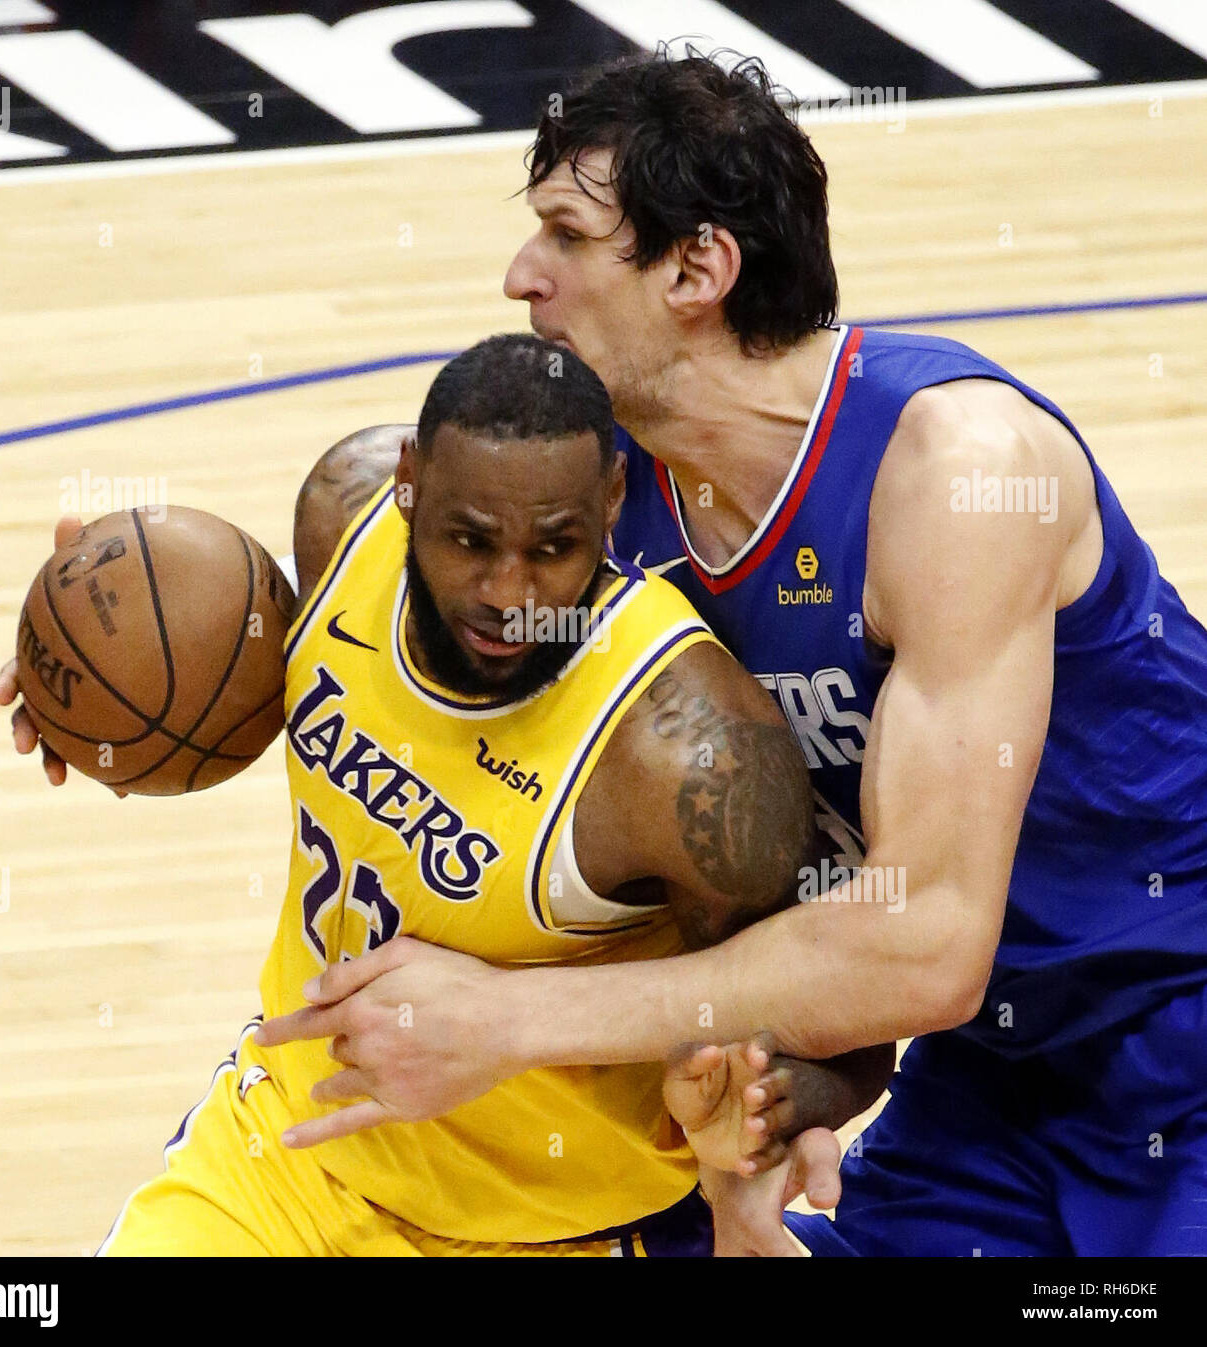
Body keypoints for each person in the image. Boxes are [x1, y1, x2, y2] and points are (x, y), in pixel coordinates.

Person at [255, 53, 1207, 1257]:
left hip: (1177, 1029)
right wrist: (151, 647)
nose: (519, 278)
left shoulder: (957, 472)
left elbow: (928, 942)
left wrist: (506, 1020)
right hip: (994, 1070)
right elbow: (385, 603)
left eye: (564, 234)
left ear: (698, 269)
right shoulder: (604, 492)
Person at [0, 334, 887, 1255]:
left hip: (552, 1234)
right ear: (411, 484)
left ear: (612, 500)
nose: (508, 591)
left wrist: (778, 1102)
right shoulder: (344, 511)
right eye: (469, 540)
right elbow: (239, 670)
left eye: (555, 547)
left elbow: (851, 1028)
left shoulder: (692, 759)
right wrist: (88, 674)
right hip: (280, 1163)